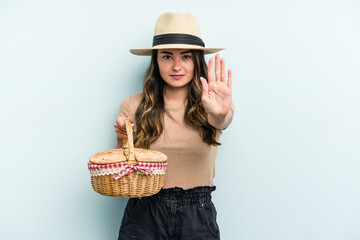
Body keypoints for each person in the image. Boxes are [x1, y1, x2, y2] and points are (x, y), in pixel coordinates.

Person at [114, 12, 234, 240]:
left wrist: (220, 113)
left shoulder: (213, 102)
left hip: (197, 214)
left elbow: (222, 120)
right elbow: (122, 170)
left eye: (186, 57)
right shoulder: (132, 104)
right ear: (156, 60)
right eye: (167, 57)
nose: (177, 66)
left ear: (196, 60)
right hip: (144, 213)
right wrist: (122, 137)